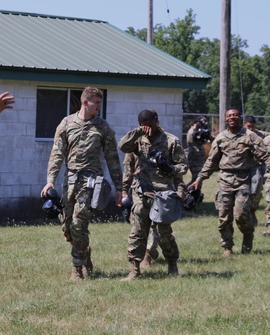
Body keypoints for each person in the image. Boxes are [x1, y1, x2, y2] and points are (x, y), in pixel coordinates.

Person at [40, 86, 124, 281]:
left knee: (79, 223)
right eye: (96, 103)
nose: (99, 107)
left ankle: (77, 269)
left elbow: (112, 159)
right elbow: (57, 153)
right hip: (69, 182)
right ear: (85, 102)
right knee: (68, 227)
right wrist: (50, 182)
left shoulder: (103, 127)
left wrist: (120, 188)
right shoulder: (66, 123)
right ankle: (84, 253)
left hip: (91, 182)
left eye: (100, 103)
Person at [189, 108, 270, 256]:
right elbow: (211, 161)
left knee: (241, 215)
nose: (232, 118)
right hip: (224, 181)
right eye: (229, 116)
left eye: (235, 115)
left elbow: (266, 155)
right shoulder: (221, 138)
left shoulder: (250, 136)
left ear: (240, 118)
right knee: (223, 217)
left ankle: (248, 236)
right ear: (225, 119)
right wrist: (199, 179)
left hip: (243, 181)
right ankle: (227, 247)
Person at [117, 109, 187, 280]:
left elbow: (183, 166)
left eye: (149, 125)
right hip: (141, 191)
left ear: (157, 121)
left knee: (164, 234)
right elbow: (122, 146)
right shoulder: (138, 140)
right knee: (137, 232)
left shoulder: (171, 141)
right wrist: (138, 131)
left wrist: (170, 169)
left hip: (163, 194)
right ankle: (134, 270)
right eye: (143, 126)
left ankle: (172, 264)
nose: (147, 129)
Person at [242, 114, 268, 228]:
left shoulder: (260, 134)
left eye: (253, 127)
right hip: (242, 169)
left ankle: (252, 211)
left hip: (256, 168)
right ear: (244, 125)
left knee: (256, 193)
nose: (251, 129)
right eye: (248, 127)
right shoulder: (239, 134)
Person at [185, 116, 213, 184]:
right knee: (196, 179)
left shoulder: (199, 130)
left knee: (199, 179)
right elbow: (196, 138)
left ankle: (194, 193)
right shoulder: (192, 131)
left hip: (200, 157)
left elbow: (209, 138)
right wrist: (199, 131)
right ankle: (185, 192)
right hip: (194, 158)